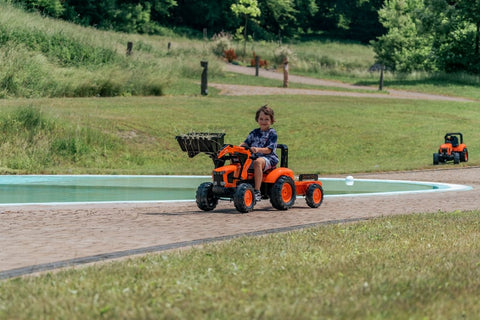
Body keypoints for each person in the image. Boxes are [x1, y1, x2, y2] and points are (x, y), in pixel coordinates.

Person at [240, 105, 279, 202]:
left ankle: (257, 191)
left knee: (258, 162)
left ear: (271, 120)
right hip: (254, 157)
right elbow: (246, 143)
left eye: (266, 119)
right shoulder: (254, 132)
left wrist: (257, 150)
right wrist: (238, 147)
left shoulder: (272, 133)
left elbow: (269, 150)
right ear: (257, 119)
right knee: (237, 160)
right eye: (261, 119)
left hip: (268, 158)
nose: (263, 121)